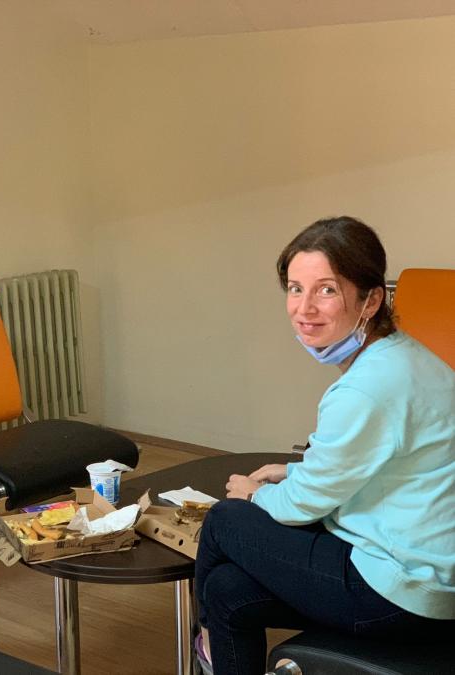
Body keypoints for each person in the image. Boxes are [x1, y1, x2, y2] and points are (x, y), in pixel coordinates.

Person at [193, 216, 455, 675]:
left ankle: (207, 643)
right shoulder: (408, 356)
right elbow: (367, 465)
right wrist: (292, 471)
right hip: (426, 572)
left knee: (225, 520)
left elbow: (304, 505)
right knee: (227, 591)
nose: (304, 308)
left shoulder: (366, 389)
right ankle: (213, 635)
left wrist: (255, 495)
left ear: (371, 299)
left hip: (402, 592)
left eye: (327, 290)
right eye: (296, 289)